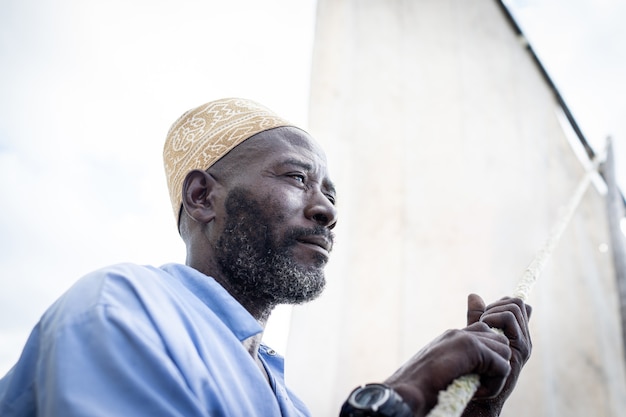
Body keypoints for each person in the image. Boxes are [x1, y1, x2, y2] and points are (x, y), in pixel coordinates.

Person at [0, 98, 531, 417]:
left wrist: (471, 408)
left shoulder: (285, 397)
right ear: (203, 197)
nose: (326, 209)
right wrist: (394, 398)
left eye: (332, 193)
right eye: (297, 178)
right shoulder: (125, 311)